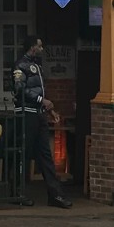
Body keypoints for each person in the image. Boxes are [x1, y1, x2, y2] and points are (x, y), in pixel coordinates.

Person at [10, 37, 71, 208]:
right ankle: (17, 192)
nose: (42, 49)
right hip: (26, 114)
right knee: (22, 153)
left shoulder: (38, 67)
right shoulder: (20, 65)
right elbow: (20, 89)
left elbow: (39, 93)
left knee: (46, 156)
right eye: (39, 46)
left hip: (39, 114)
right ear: (32, 47)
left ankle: (55, 195)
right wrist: (40, 100)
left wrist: (49, 110)